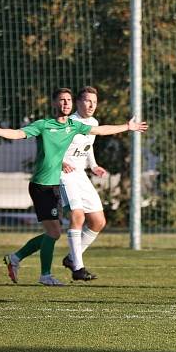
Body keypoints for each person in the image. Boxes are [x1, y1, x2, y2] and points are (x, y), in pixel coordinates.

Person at [0, 87, 148, 286]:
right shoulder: (44, 125)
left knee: (56, 232)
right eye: (62, 100)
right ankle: (56, 272)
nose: (66, 103)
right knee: (59, 228)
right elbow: (18, 133)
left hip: (56, 184)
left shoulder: (74, 125)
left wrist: (126, 127)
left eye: (68, 100)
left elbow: (99, 131)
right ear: (54, 103)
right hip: (44, 184)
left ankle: (18, 259)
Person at [59, 86, 107, 281]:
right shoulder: (68, 122)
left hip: (80, 175)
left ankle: (72, 258)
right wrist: (61, 162)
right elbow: (51, 146)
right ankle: (78, 268)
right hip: (63, 174)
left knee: (98, 221)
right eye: (87, 101)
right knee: (77, 216)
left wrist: (93, 165)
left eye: (94, 102)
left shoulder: (93, 122)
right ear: (77, 102)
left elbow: (88, 147)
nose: (91, 105)